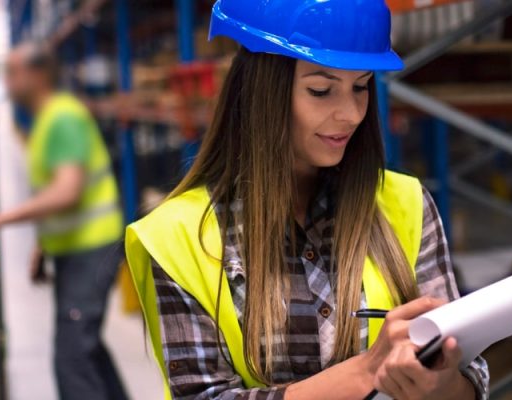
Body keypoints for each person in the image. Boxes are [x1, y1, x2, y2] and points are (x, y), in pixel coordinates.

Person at [123, 1, 491, 399]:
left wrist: (442, 384)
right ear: (264, 91)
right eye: (321, 90)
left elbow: (469, 376)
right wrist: (367, 370)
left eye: (361, 86)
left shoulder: (405, 205)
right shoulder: (176, 237)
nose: (350, 114)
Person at [0, 43, 129, 400]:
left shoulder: (62, 118)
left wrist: (1, 218)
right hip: (74, 248)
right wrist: (42, 245)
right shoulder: (47, 118)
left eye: (12, 71)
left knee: (72, 357)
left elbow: (67, 191)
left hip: (91, 249)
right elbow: (55, 191)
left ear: (36, 76)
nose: (6, 80)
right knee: (86, 345)